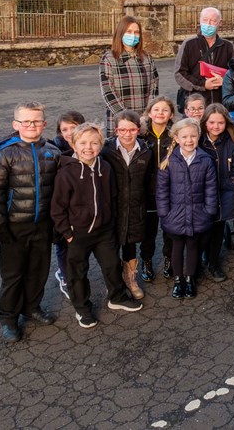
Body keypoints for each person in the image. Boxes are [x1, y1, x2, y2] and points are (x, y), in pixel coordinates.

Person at [50, 123, 143, 329]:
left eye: (94, 143)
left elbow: (112, 197)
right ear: (74, 144)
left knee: (111, 265)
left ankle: (117, 297)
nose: (88, 147)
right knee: (77, 273)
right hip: (77, 234)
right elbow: (57, 208)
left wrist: (111, 225)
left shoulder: (105, 167)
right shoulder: (66, 173)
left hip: (104, 232)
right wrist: (67, 232)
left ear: (101, 145)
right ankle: (82, 309)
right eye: (82, 143)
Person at [0, 101, 61, 343]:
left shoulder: (53, 152)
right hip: (15, 226)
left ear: (44, 123)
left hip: (43, 224)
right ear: (15, 124)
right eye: (26, 122)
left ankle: (31, 307)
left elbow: (60, 193)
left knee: (38, 270)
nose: (32, 125)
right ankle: (8, 318)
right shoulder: (5, 154)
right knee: (13, 275)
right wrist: (0, 225)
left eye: (36, 121)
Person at [157, 118, 218, 299]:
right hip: (174, 214)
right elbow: (161, 191)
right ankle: (178, 280)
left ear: (199, 136)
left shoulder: (205, 160)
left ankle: (190, 279)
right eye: (184, 137)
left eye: (193, 136)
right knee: (177, 247)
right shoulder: (168, 161)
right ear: (176, 137)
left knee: (192, 246)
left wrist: (209, 211)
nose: (189, 140)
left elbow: (211, 188)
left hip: (198, 213)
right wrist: (164, 213)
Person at [100, 110, 152, 300]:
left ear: (138, 130)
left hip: (134, 207)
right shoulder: (106, 151)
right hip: (112, 207)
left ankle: (130, 278)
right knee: (111, 248)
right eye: (122, 130)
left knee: (130, 244)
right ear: (116, 130)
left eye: (132, 130)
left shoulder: (146, 152)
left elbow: (149, 181)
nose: (127, 134)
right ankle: (114, 282)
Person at [199, 103, 234, 281]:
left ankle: (213, 263)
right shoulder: (199, 141)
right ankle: (201, 259)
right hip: (203, 196)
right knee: (203, 231)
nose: (216, 126)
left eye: (220, 123)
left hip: (224, 194)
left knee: (217, 229)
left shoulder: (232, 142)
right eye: (212, 122)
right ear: (205, 123)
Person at [100, 16, 159, 136]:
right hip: (119, 121)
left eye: (136, 32)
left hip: (143, 121)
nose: (133, 35)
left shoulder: (147, 59)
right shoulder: (109, 59)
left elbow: (154, 89)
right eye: (129, 32)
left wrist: (147, 116)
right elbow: (108, 92)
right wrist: (125, 119)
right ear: (120, 33)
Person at [51, 110, 85, 300]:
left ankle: (75, 275)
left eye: (74, 127)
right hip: (63, 208)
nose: (70, 132)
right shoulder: (56, 151)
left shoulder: (90, 145)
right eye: (65, 129)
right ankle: (64, 275)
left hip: (81, 208)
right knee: (63, 245)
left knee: (78, 248)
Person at [141, 96, 175, 282]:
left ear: (171, 114)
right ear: (149, 113)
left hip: (169, 190)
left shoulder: (175, 135)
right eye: (156, 109)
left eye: (165, 110)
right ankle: (146, 261)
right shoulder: (142, 135)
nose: (160, 113)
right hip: (148, 192)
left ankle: (168, 259)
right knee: (149, 230)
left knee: (169, 228)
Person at [173, 7, 233, 113]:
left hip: (220, 103)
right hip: (195, 104)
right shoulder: (189, 44)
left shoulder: (228, 46)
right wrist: (203, 85)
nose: (208, 24)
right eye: (205, 20)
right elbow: (179, 73)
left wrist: (225, 81)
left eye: (213, 21)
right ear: (200, 21)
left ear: (220, 23)